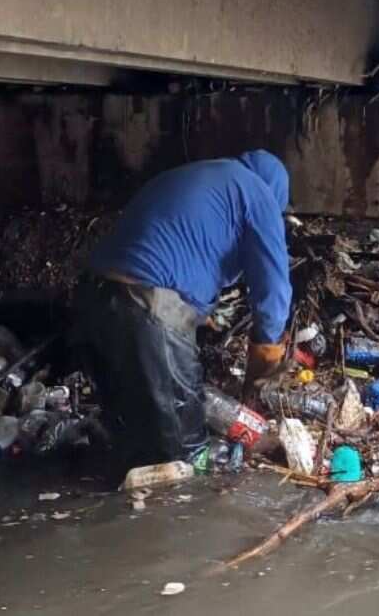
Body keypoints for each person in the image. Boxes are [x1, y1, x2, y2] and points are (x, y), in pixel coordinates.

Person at [73, 150, 291, 472]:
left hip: (93, 300)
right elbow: (274, 293)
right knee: (183, 454)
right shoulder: (258, 193)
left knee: (128, 436)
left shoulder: (195, 177)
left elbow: (174, 248)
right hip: (147, 305)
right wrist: (262, 366)